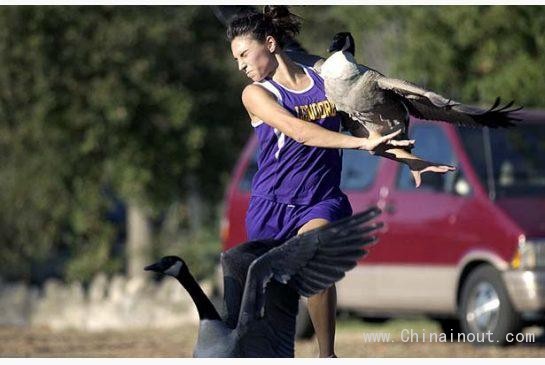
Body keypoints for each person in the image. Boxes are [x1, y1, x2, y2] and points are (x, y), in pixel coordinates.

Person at [226, 5, 449, 357]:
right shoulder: (256, 94)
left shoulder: (325, 84)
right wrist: (362, 144)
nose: (240, 65)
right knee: (269, 309)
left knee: (315, 247)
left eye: (243, 55)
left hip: (321, 200)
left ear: (269, 43)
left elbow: (364, 132)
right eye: (236, 59)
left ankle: (327, 355)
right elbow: (301, 132)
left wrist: (410, 162)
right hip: (270, 208)